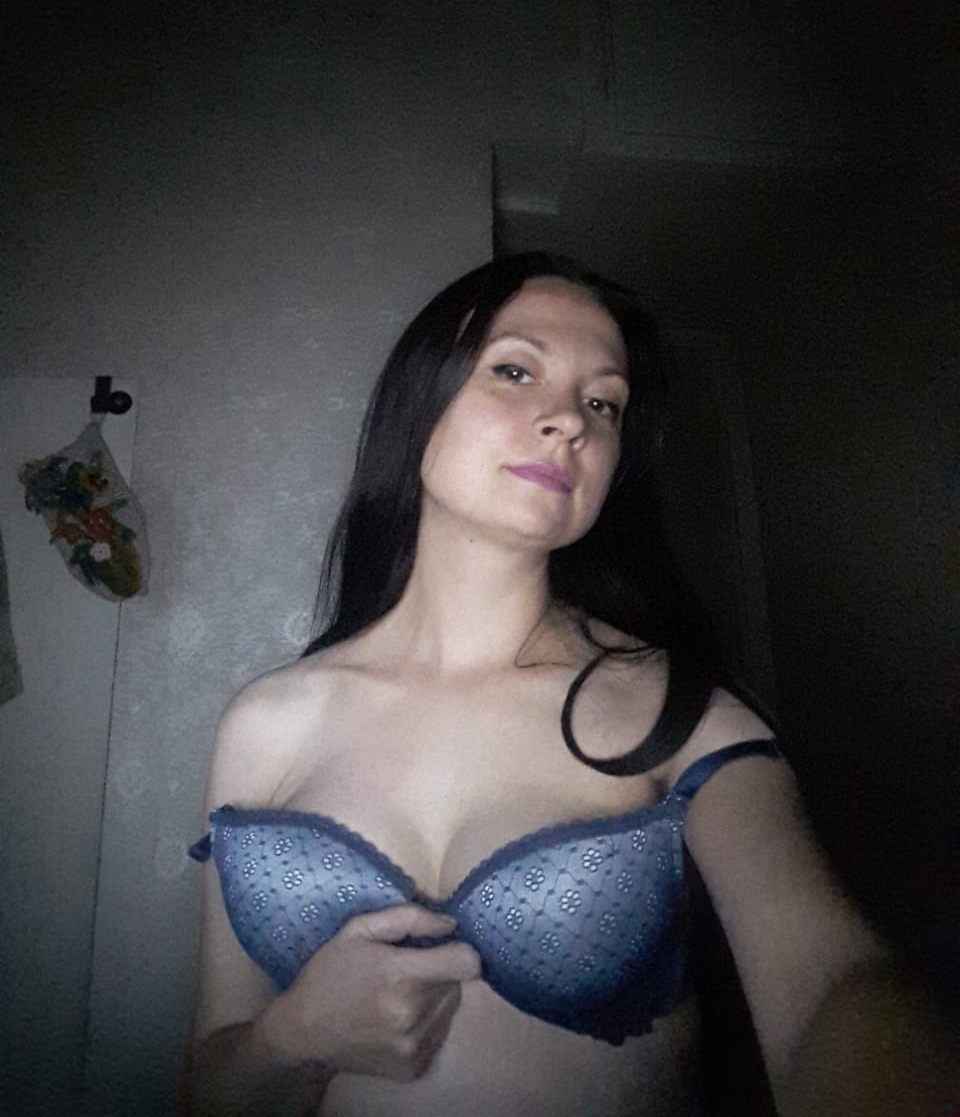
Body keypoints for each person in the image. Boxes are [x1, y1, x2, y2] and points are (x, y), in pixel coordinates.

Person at [187, 253, 953, 1117]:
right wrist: (290, 1039)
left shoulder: (681, 711)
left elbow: (832, 985)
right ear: (419, 397)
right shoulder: (264, 724)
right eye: (515, 371)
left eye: (603, 403)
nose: (569, 422)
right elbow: (208, 1086)